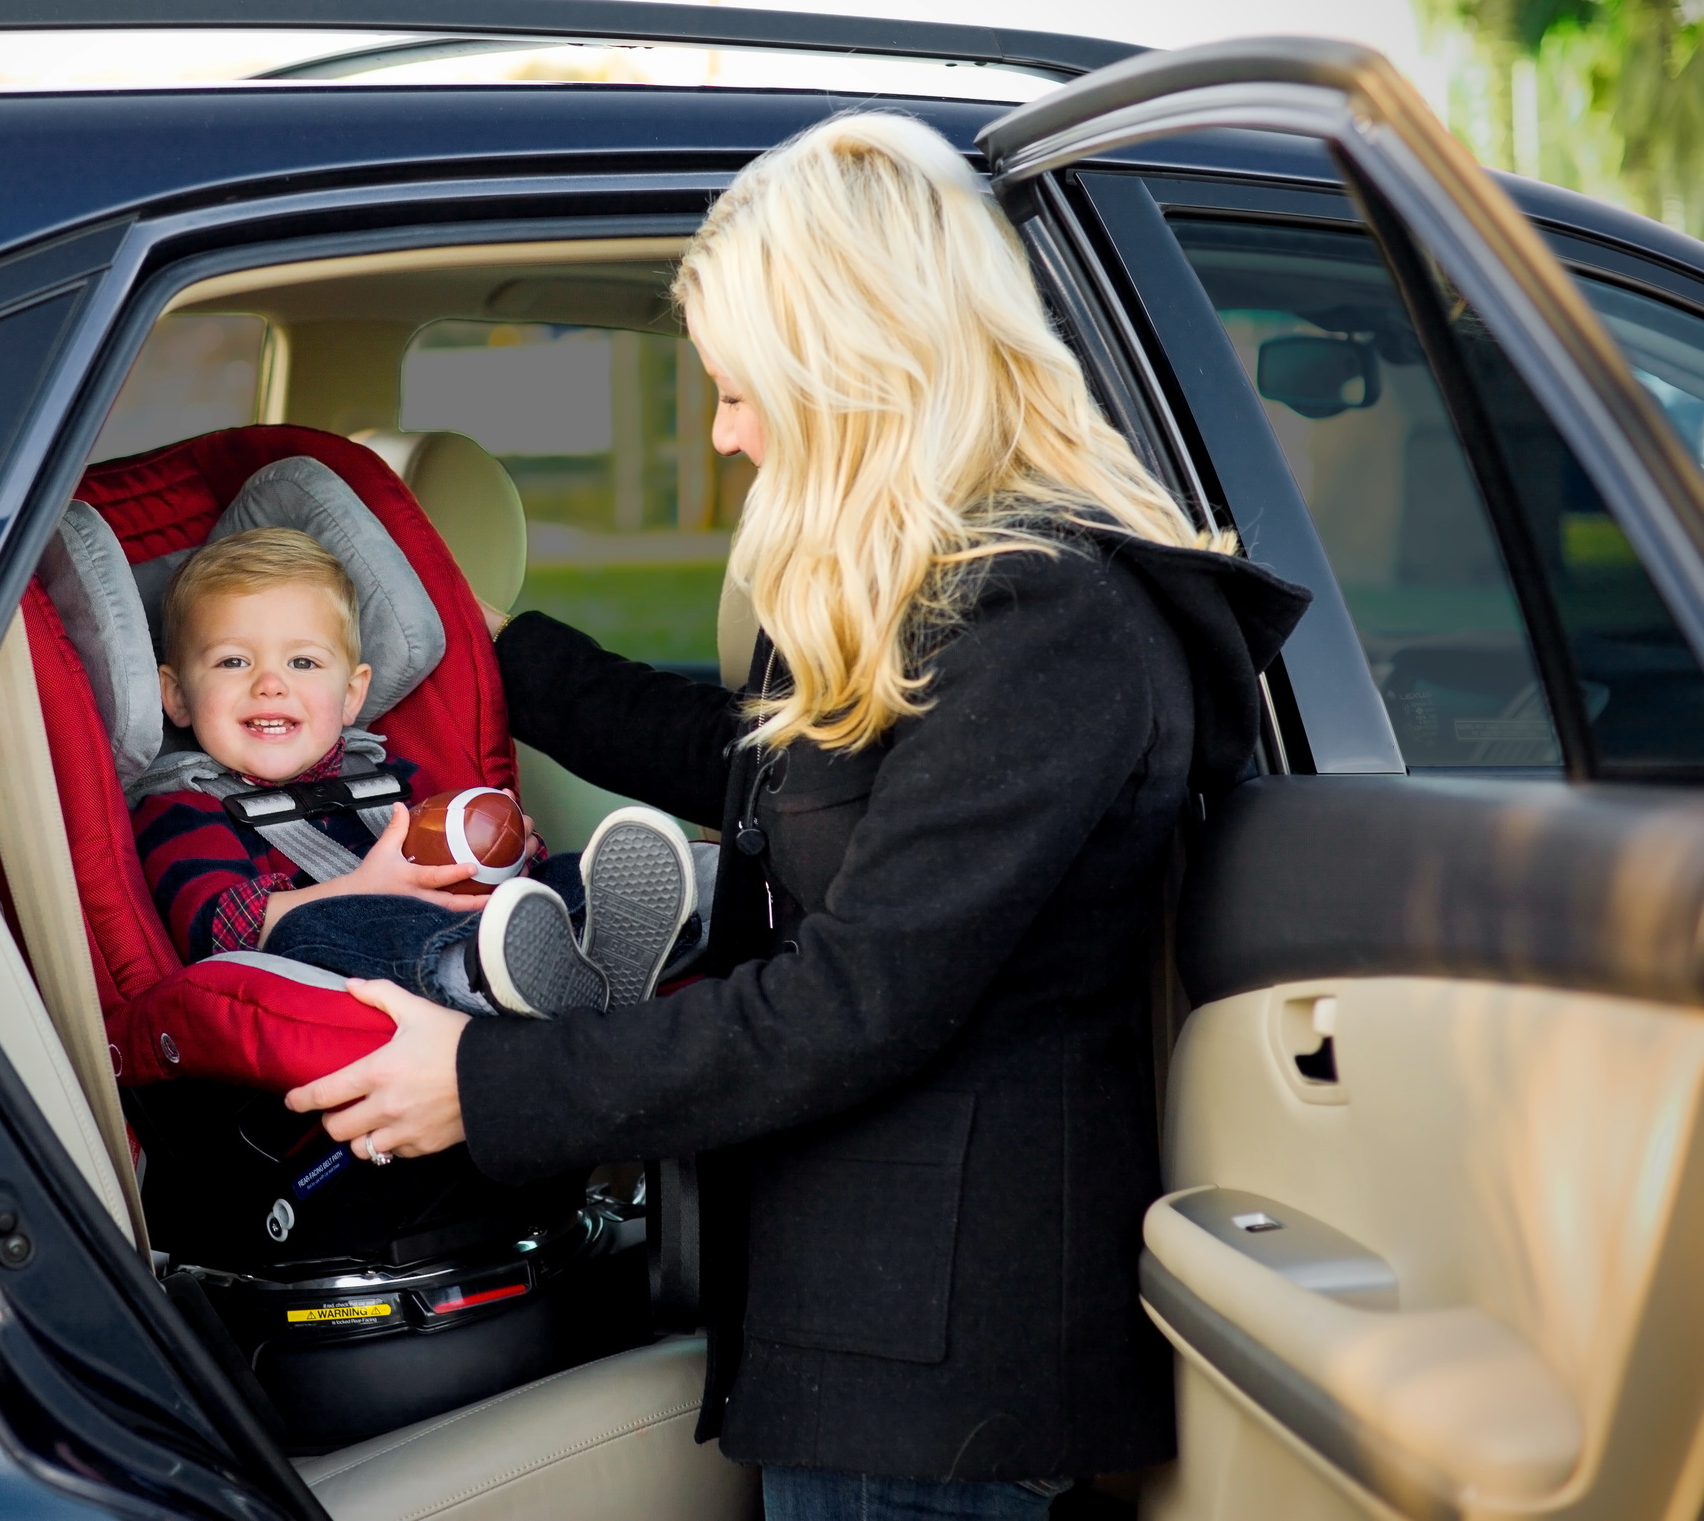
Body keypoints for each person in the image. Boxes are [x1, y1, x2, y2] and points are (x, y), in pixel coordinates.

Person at [282, 113, 1311, 1517]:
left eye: (741, 388)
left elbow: (855, 998)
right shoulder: (926, 593)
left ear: (860, 371)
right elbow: (773, 772)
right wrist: (492, 649)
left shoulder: (1049, 618)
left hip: (946, 1378)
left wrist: (487, 1078)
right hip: (851, 1335)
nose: (721, 430)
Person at [132, 526, 698, 1022]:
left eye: (302, 662)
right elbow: (212, 927)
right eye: (234, 661)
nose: (270, 683)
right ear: (176, 696)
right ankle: (481, 974)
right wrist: (357, 892)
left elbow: (465, 872)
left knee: (566, 874)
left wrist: (503, 852)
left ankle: (645, 929)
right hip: (356, 987)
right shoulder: (184, 807)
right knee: (313, 932)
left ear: (352, 695)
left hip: (482, 931)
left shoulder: (392, 779)